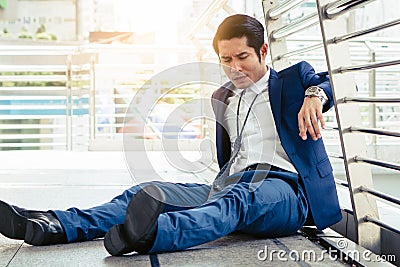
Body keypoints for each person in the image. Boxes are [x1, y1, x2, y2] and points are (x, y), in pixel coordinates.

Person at [0, 14, 342, 255]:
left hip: (287, 191)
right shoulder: (221, 97)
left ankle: (151, 234)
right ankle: (54, 225)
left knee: (238, 201)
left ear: (263, 52)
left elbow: (331, 79)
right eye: (226, 59)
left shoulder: (295, 81)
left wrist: (316, 95)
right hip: (229, 184)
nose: (235, 67)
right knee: (144, 192)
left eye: (243, 57)